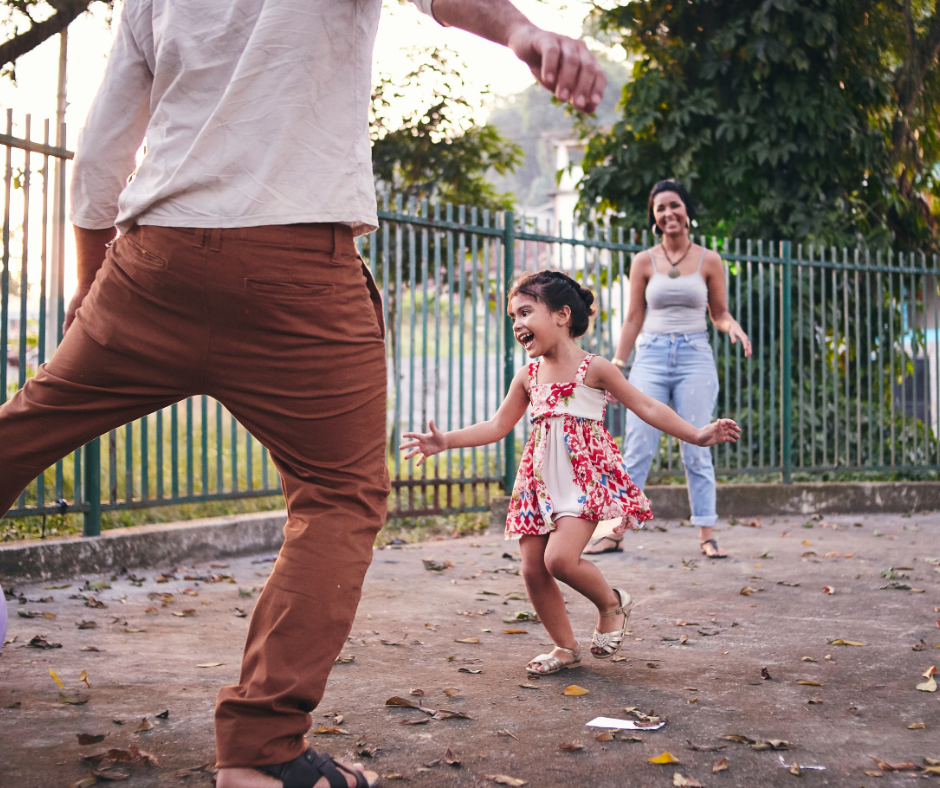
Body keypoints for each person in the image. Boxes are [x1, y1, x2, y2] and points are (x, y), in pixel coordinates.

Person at [0, 2, 609, 787]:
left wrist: (96, 290)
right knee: (337, 497)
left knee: (22, 432)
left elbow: (100, 160)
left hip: (151, 264)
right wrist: (520, 32)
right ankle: (259, 751)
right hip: (297, 272)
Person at [401, 271, 740, 675]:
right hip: (538, 483)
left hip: (584, 478)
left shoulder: (595, 368)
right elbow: (496, 426)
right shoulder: (527, 377)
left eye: (526, 312)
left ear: (562, 315)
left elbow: (646, 406)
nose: (517, 324)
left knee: (560, 559)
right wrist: (445, 442)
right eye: (513, 317)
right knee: (531, 567)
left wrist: (696, 434)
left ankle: (611, 603)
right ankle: (564, 647)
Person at [585, 180, 752, 560]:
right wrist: (617, 367)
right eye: (660, 209)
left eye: (674, 205)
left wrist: (734, 327)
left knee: (698, 445)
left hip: (695, 356)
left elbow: (719, 313)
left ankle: (707, 534)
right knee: (638, 445)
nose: (668, 213)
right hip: (651, 357)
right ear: (655, 218)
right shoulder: (644, 261)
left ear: (686, 210)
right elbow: (632, 318)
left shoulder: (710, 260)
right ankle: (615, 532)